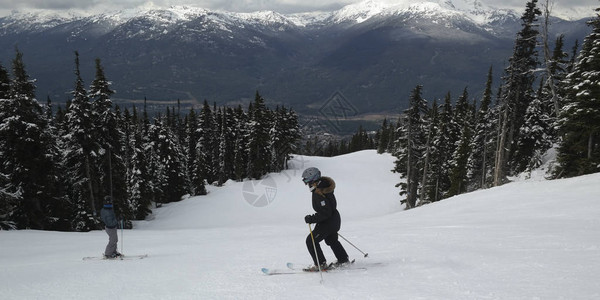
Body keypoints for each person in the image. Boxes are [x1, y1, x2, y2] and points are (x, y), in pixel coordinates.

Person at [302, 167, 349, 271]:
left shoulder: (320, 192)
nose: (306, 184)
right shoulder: (322, 188)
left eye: (306, 180)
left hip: (328, 222)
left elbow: (325, 212)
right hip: (333, 220)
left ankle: (321, 264)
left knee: (311, 241)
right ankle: (343, 259)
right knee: (331, 239)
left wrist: (311, 218)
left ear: (313, 179)